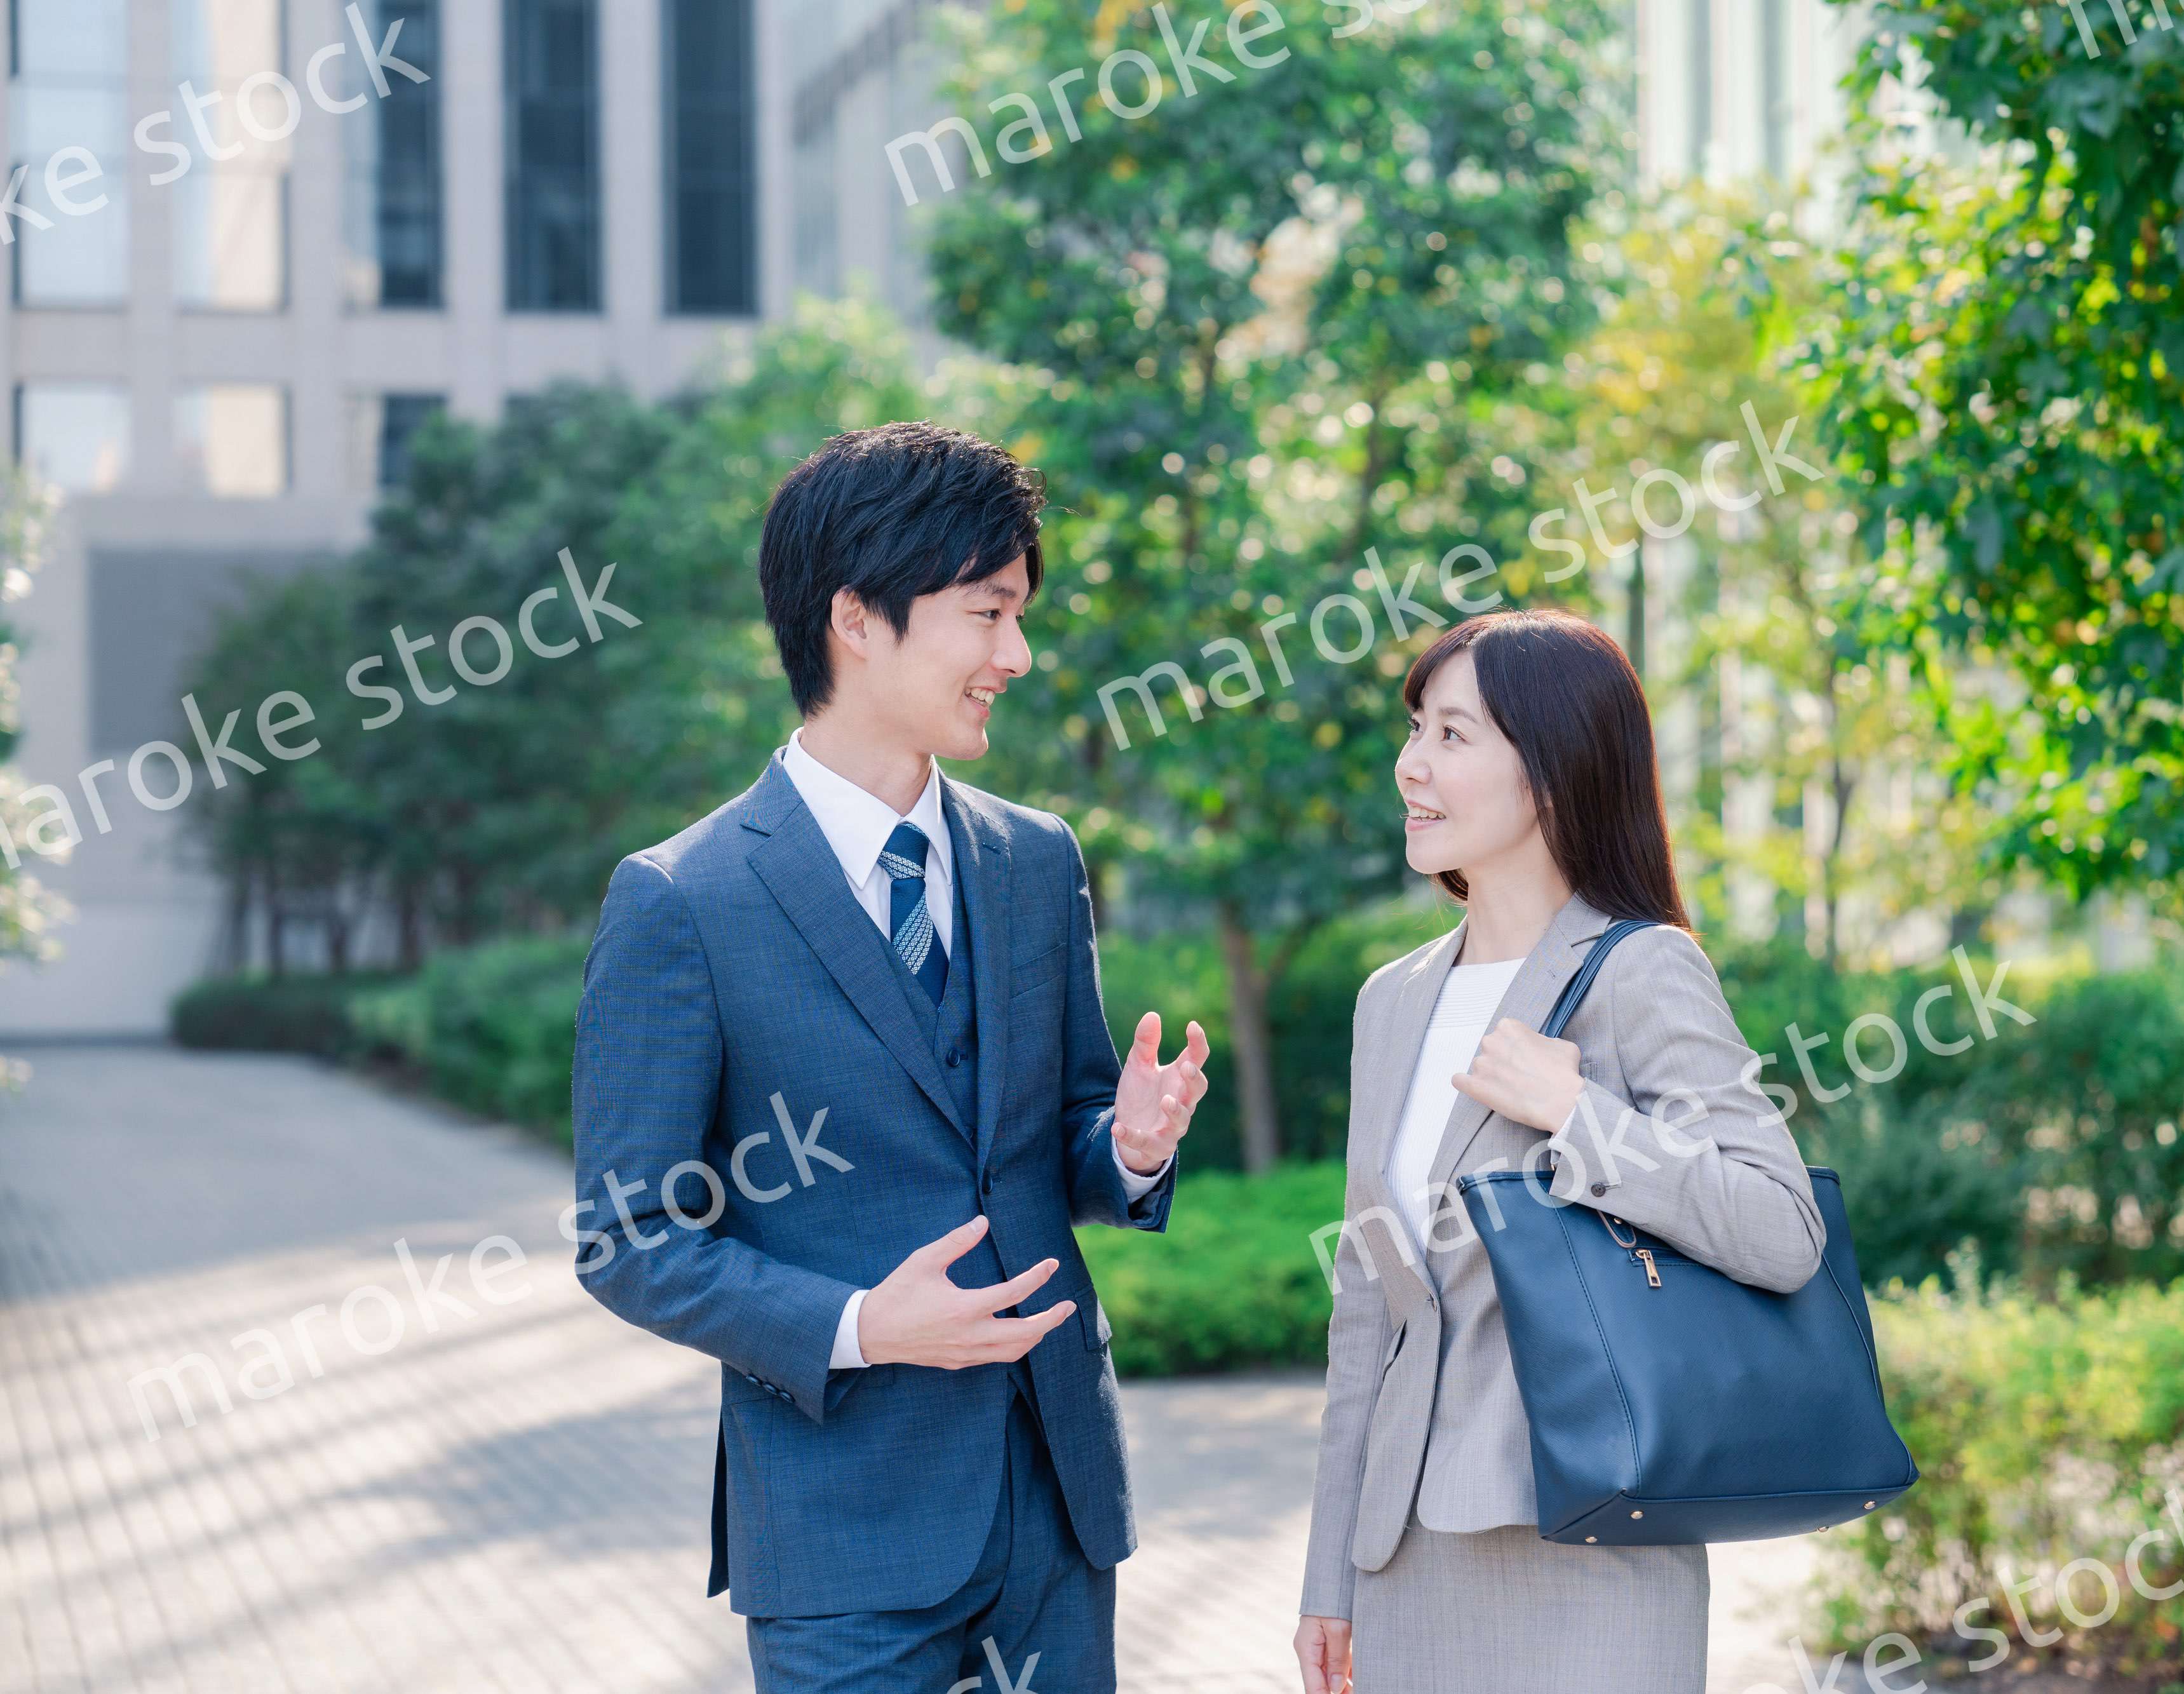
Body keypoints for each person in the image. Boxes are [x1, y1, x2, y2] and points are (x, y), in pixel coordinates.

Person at [573, 421, 1210, 1694]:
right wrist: (863, 1324)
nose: (1015, 655)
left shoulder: (1033, 861)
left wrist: (1126, 1146)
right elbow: (629, 1237)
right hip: (844, 1533)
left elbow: (1060, 1134)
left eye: (1018, 615)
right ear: (856, 617)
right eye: (987, 613)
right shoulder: (683, 899)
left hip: (1053, 1513)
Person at [1293, 608, 1826, 1694]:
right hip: (1404, 1560)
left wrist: (1579, 1115)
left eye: (1452, 735)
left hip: (1587, 1545)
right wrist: (1328, 1577)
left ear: (1549, 770)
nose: (1410, 766)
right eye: (1414, 732)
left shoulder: (1642, 970)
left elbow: (1783, 1229)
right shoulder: (1390, 1003)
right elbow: (1369, 1312)